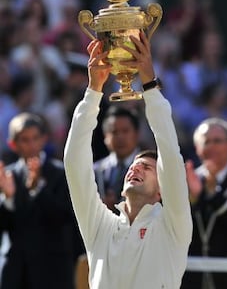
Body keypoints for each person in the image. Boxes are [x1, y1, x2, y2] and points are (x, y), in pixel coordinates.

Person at [63, 31, 192, 288]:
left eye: (146, 167)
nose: (135, 168)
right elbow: (74, 163)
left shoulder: (173, 225)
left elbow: (170, 154)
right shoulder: (99, 226)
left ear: (161, 191)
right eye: (133, 166)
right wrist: (93, 91)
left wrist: (149, 85)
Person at [0, 112, 77, 289]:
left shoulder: (60, 173)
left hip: (53, 272)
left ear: (44, 139)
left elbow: (65, 217)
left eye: (35, 138)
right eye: (24, 140)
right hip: (16, 272)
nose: (31, 145)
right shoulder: (7, 176)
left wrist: (38, 189)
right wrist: (9, 198)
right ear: (13, 144)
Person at [181, 117, 227, 289]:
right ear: (197, 148)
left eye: (217, 141)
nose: (212, 147)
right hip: (192, 277)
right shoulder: (184, 182)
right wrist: (194, 198)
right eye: (206, 142)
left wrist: (213, 195)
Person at [94, 105, 141, 213]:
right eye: (114, 132)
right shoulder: (95, 171)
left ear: (137, 134)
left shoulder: (149, 169)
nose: (120, 137)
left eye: (125, 131)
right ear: (105, 136)